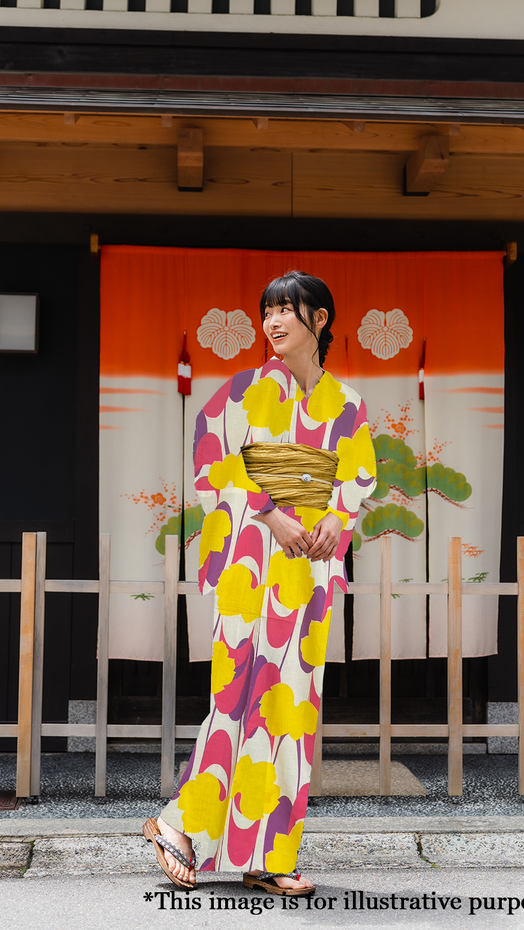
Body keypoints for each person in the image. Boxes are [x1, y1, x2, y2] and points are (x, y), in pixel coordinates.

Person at [143, 271, 376, 895]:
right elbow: (211, 459)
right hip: (253, 561)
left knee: (290, 706)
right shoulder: (240, 394)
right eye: (267, 311)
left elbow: (357, 476)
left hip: (309, 570)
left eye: (287, 311)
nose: (273, 322)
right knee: (239, 694)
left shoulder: (348, 403)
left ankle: (268, 853)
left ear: (319, 320)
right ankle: (181, 826)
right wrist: (271, 512)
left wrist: (334, 519)